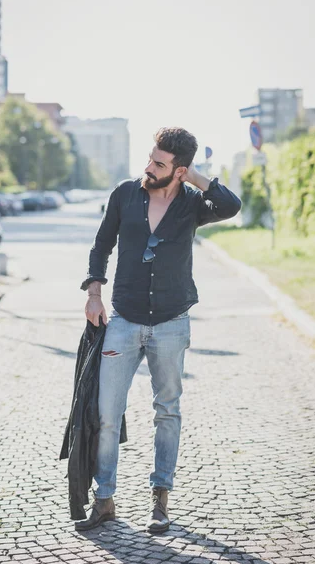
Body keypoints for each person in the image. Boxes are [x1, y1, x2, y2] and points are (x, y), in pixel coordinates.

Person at [76, 127, 241, 533]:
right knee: (107, 413)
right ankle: (104, 500)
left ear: (179, 170)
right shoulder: (125, 194)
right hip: (123, 319)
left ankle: (160, 501)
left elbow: (231, 205)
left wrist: (196, 178)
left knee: (167, 412)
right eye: (150, 159)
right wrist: (94, 293)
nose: (148, 167)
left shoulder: (192, 204)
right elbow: (101, 246)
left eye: (160, 164)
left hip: (171, 323)